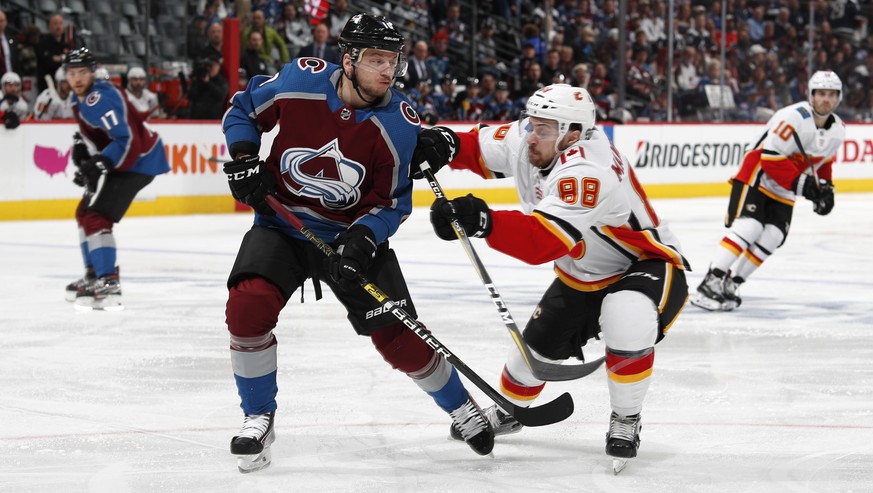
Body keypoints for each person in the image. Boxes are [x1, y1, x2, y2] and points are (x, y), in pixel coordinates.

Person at [220, 13, 494, 474]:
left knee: (399, 337)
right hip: (281, 226)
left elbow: (391, 204)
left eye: (393, 60)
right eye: (376, 59)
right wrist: (246, 159)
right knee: (247, 308)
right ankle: (258, 416)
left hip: (349, 238)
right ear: (348, 59)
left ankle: (463, 407)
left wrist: (363, 240)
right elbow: (243, 109)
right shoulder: (299, 81)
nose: (388, 70)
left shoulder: (400, 123)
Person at [417, 84, 690, 471]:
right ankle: (511, 410)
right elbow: (475, 147)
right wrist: (440, 144)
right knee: (527, 364)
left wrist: (484, 220)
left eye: (543, 129)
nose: (530, 133)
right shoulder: (534, 137)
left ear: (573, 134)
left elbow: (542, 242)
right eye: (532, 123)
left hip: (644, 265)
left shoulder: (586, 169)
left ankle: (626, 418)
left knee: (624, 315)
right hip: (580, 274)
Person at [691, 71, 845, 311]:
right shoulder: (793, 117)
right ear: (811, 95)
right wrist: (804, 186)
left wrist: (826, 189)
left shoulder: (838, 130)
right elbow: (770, 158)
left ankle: (732, 283)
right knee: (750, 226)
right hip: (758, 175)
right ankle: (710, 281)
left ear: (839, 97)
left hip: (785, 184)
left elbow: (823, 162)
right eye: (821, 93)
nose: (826, 99)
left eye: (831, 94)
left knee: (774, 236)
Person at [62, 48, 170, 311]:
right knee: (84, 212)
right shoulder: (84, 98)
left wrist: (102, 162)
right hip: (129, 158)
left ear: (92, 72)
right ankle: (94, 275)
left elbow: (125, 138)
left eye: (82, 73)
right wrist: (84, 151)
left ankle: (108, 281)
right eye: (72, 73)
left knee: (97, 217)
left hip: (139, 160)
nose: (77, 79)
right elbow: (102, 133)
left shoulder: (98, 98)